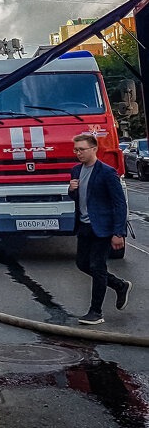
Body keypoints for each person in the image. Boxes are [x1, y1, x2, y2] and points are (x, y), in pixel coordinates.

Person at [68, 134, 131, 325]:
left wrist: (118, 233)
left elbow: (119, 204)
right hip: (84, 226)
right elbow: (77, 198)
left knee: (97, 266)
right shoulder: (76, 171)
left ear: (94, 149)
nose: (78, 153)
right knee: (82, 263)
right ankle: (120, 285)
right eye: (76, 150)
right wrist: (71, 190)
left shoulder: (107, 172)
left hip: (103, 228)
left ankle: (95, 312)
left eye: (82, 149)